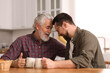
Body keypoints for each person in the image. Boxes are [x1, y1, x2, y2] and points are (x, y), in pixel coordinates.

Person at [1, 13, 66, 68]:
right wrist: (15, 63)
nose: (49, 31)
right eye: (47, 27)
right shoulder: (22, 41)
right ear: (37, 26)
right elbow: (3, 60)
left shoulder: (53, 43)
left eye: (51, 28)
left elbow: (71, 55)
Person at [41, 13, 106, 68]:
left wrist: (54, 64)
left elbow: (84, 61)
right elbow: (70, 62)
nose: (59, 34)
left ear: (65, 25)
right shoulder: (69, 41)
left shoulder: (87, 36)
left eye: (58, 30)